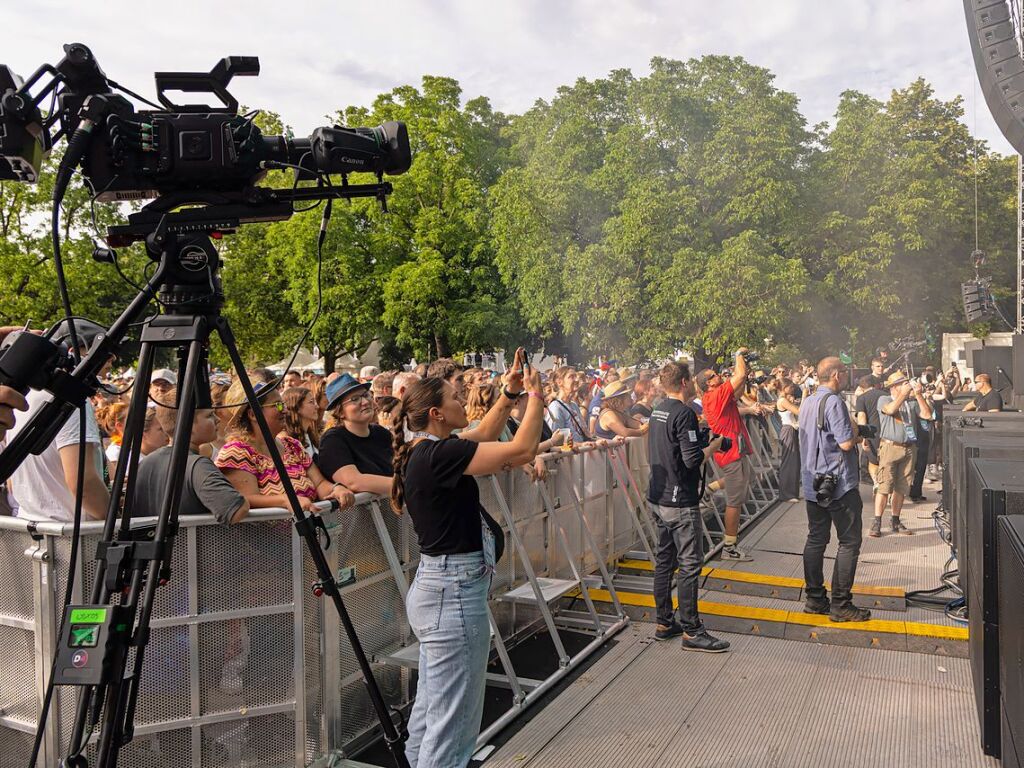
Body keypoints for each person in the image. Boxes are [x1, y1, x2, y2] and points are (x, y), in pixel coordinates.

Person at [392, 350, 545, 768]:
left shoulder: (431, 450)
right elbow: (522, 449)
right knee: (452, 727)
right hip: (451, 598)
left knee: (431, 714)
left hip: (440, 591)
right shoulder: (439, 456)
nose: (464, 401)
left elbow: (484, 433)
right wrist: (536, 397)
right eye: (456, 397)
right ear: (438, 413)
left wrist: (510, 391)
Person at [646, 361, 730, 651]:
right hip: (679, 499)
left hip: (658, 496)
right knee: (690, 564)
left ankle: (664, 622)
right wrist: (715, 446)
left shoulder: (658, 408)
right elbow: (693, 459)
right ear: (683, 382)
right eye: (692, 380)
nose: (696, 384)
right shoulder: (683, 413)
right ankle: (692, 630)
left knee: (664, 561)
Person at [7, 320, 110, 522]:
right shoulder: (72, 401)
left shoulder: (21, 396)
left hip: (27, 526)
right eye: (104, 356)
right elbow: (83, 483)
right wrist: (113, 515)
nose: (109, 365)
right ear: (74, 353)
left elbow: (12, 480)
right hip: (71, 537)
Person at [798, 357, 871, 623]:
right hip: (838, 485)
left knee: (816, 538)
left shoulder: (807, 401)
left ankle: (815, 599)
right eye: (845, 371)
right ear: (836, 375)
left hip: (812, 483)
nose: (848, 375)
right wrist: (857, 432)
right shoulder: (834, 402)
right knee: (849, 542)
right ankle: (841, 604)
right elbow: (845, 444)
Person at [215, 378, 355, 513]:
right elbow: (246, 499)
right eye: (277, 405)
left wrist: (336, 489)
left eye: (283, 404)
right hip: (268, 536)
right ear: (253, 414)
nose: (286, 410)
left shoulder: (292, 445)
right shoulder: (236, 452)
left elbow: (319, 484)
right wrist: (286, 500)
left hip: (307, 533)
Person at [133, 387, 249, 523]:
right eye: (210, 415)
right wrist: (248, 499)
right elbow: (236, 511)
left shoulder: (146, 463)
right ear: (188, 423)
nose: (217, 419)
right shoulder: (198, 465)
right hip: (193, 544)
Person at [696, 348, 758, 562]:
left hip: (735, 450)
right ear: (708, 384)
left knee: (744, 482)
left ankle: (709, 489)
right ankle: (729, 547)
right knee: (734, 501)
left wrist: (745, 369)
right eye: (712, 375)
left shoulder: (718, 394)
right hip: (729, 453)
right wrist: (739, 355)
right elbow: (738, 377)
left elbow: (739, 390)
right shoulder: (714, 395)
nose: (717, 375)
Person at [872, 371, 933, 537]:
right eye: (902, 383)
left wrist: (919, 395)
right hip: (890, 447)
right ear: (894, 387)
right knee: (884, 486)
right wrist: (904, 394)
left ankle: (895, 520)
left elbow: (927, 416)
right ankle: (877, 522)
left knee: (901, 487)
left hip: (909, 447)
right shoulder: (884, 399)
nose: (907, 385)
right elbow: (891, 410)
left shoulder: (911, 402)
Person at [316, 373, 394, 498]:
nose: (364, 402)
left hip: (390, 514)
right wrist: (406, 486)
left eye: (365, 395)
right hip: (357, 516)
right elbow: (353, 481)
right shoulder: (333, 440)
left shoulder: (381, 433)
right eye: (355, 399)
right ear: (340, 412)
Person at [546, 367, 590, 444]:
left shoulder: (573, 405)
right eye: (571, 377)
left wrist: (599, 440)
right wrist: (581, 445)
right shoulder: (556, 407)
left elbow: (585, 433)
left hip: (581, 454)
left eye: (576, 376)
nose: (576, 380)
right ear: (559, 382)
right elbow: (556, 441)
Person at [854, 374, 885, 485]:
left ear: (862, 387)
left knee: (873, 462)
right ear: (876, 384)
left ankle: (876, 483)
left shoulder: (862, 398)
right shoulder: (886, 395)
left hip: (872, 434)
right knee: (886, 461)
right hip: (887, 433)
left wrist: (863, 437)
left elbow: (862, 417)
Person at [776, 380, 802, 501]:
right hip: (788, 430)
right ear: (784, 387)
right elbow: (799, 411)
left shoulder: (785, 399)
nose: (792, 388)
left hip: (791, 429)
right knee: (789, 462)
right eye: (790, 386)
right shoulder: (782, 400)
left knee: (794, 462)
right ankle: (787, 494)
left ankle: (792, 492)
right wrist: (805, 395)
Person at [280, 386, 321, 459]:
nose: (317, 406)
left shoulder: (310, 435)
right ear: (297, 407)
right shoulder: (285, 440)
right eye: (311, 402)